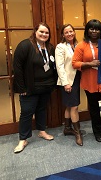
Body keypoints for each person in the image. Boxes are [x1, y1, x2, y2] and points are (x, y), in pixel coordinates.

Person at [13, 22, 57, 153]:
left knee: (42, 110)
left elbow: (53, 66)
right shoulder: (25, 45)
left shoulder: (50, 47)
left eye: (46, 33)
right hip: (30, 89)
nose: (44, 34)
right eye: (41, 32)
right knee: (26, 113)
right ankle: (23, 139)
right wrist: (21, 88)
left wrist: (53, 84)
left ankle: (41, 131)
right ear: (35, 32)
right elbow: (17, 68)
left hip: (46, 87)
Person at [72, 19, 101, 142]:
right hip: (90, 82)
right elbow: (75, 63)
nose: (94, 31)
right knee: (95, 109)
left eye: (97, 29)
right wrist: (89, 63)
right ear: (87, 31)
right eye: (91, 28)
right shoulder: (82, 45)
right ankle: (98, 132)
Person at [55, 24, 82, 146]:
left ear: (74, 32)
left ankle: (67, 128)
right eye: (66, 32)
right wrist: (65, 83)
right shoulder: (60, 47)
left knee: (69, 106)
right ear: (63, 35)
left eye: (71, 31)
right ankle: (77, 133)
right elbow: (59, 67)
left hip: (77, 79)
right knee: (74, 106)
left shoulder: (78, 45)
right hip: (67, 81)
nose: (69, 34)